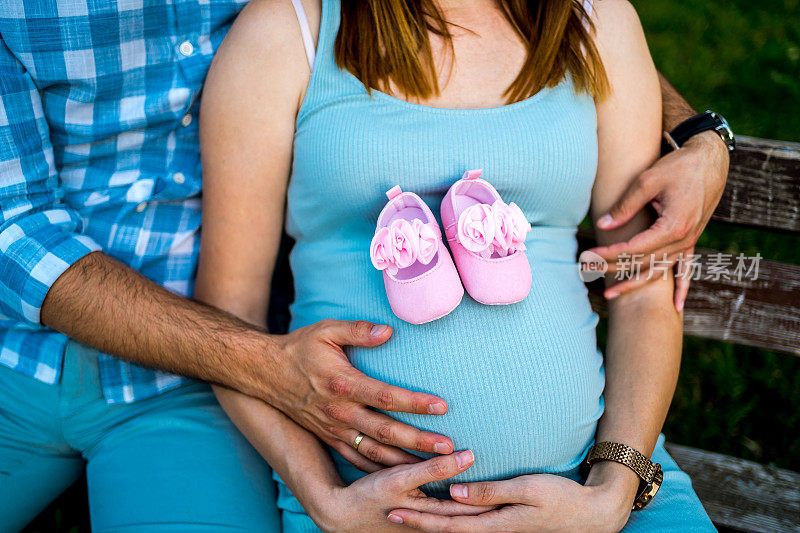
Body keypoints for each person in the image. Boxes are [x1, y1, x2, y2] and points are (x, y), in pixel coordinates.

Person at [0, 0, 726, 531]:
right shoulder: (288, 31)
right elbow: (231, 308)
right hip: (368, 504)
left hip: (596, 484)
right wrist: (326, 496)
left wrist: (610, 490)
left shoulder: (598, 21)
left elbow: (639, 290)